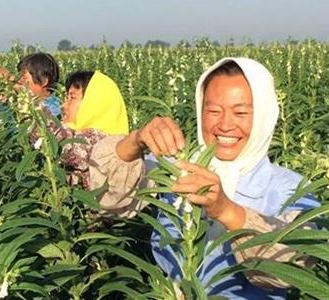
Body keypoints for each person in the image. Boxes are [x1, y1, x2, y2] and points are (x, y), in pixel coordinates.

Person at [88, 58, 319, 298]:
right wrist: (135, 141)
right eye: (213, 111)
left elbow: (290, 270)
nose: (225, 125)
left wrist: (226, 211)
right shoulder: (180, 169)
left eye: (240, 112)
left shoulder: (293, 189)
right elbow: (106, 200)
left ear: (264, 116)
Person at [34, 70, 129, 188]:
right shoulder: (78, 132)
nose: (63, 106)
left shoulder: (102, 140)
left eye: (72, 98)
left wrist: (33, 110)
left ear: (94, 103)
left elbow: (62, 146)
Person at [0, 52, 62, 118]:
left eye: (24, 77)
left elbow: (42, 125)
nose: (19, 80)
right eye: (18, 76)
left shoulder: (58, 109)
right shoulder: (16, 102)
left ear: (44, 81)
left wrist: (8, 78)